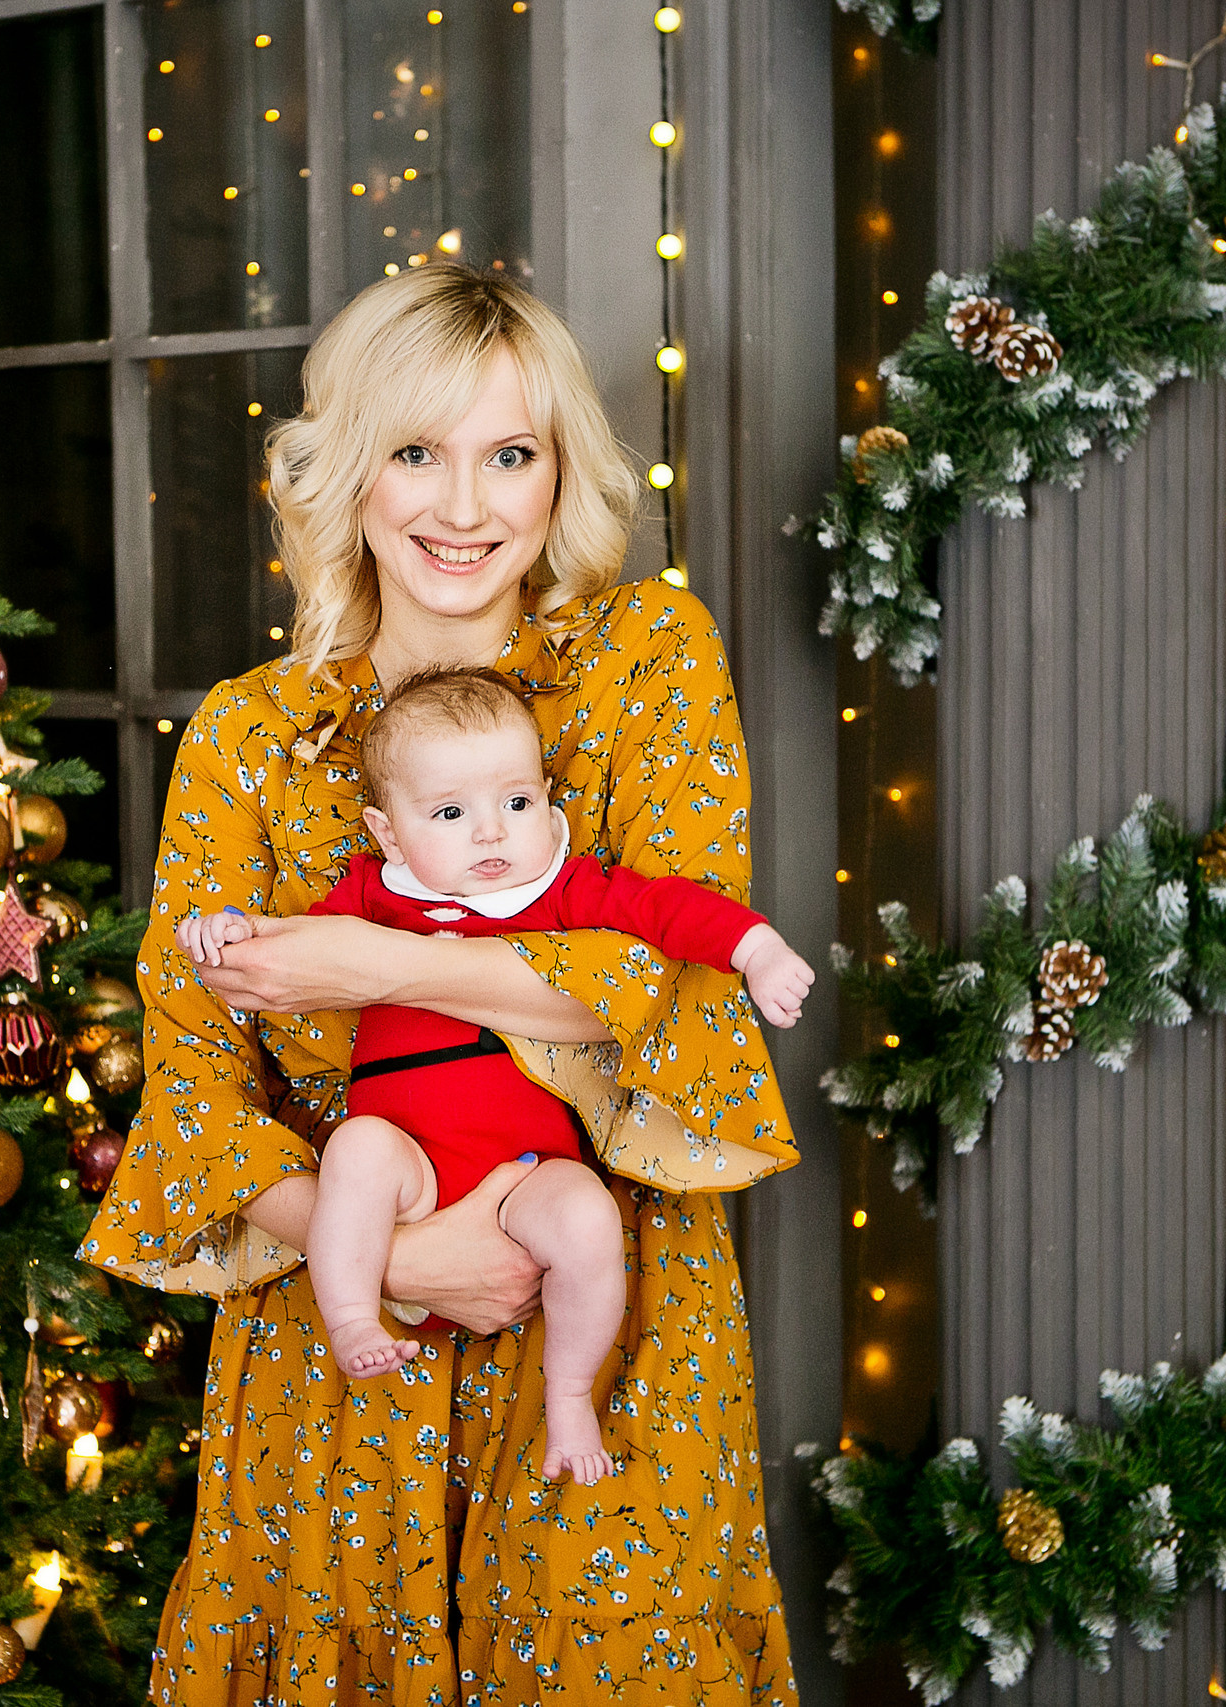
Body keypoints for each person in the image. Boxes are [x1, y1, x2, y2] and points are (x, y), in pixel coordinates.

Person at [81, 263, 807, 1704]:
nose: (462, 507)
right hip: (340, 1335)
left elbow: (652, 975)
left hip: (616, 1318)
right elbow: (197, 1091)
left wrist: (383, 961)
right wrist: (399, 1262)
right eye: (416, 451)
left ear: (560, 475)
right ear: (347, 468)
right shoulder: (250, 735)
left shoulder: (647, 662)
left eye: (509, 455)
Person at [176, 666, 815, 1488]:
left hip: (525, 1174)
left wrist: (756, 949)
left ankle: (572, 1391)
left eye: (515, 803)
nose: (491, 834)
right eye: (450, 813)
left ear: (549, 803)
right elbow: (294, 950)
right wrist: (237, 930)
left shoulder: (562, 889)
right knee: (358, 1152)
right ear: (391, 831)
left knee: (586, 1219)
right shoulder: (378, 893)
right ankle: (349, 1315)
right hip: (410, 1164)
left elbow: (667, 911)